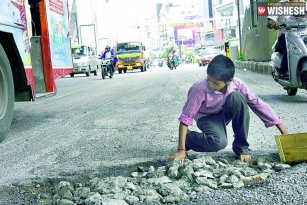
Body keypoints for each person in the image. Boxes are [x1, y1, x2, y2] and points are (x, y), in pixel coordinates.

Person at [168, 55, 289, 165]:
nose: (210, 84)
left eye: (215, 83)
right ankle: (188, 139)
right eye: (209, 80)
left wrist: (284, 133)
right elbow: (186, 118)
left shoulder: (236, 84)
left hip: (224, 112)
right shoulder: (199, 88)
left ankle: (241, 147)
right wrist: (181, 150)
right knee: (218, 143)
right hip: (207, 117)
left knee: (237, 97)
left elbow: (256, 103)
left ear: (229, 81)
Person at [266, 0, 305, 77]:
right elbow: (269, 22)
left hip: (302, 35)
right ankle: (283, 70)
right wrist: (272, 24)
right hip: (286, 36)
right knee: (290, 45)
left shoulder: (304, 4)